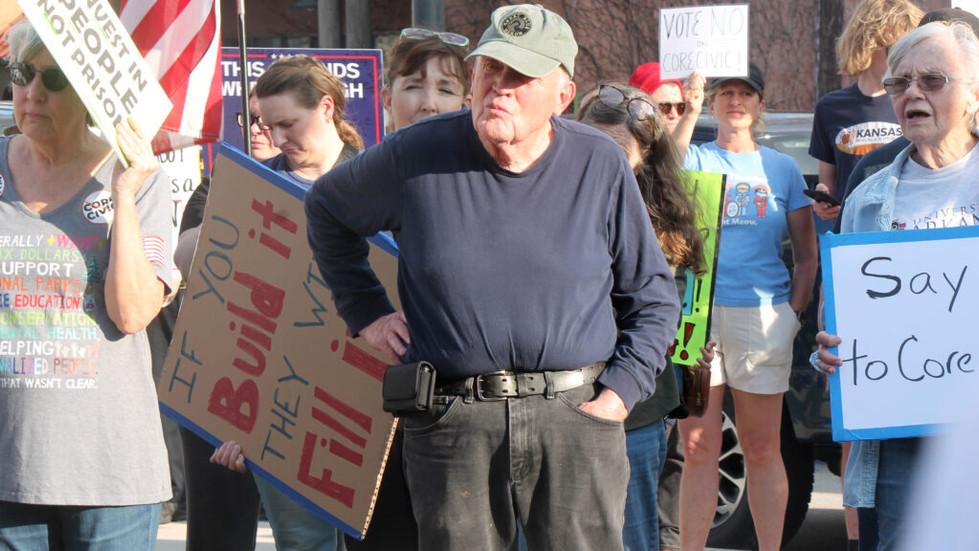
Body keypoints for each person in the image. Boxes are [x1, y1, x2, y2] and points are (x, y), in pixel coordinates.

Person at [304, 5, 681, 550]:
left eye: (519, 76)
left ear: (562, 95)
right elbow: (327, 210)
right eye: (490, 70)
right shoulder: (418, 153)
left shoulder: (599, 163)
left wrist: (621, 393)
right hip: (454, 426)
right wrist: (365, 312)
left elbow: (652, 296)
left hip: (576, 419)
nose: (498, 88)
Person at [0, 21, 173, 549]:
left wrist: (123, 194)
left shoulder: (142, 179)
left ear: (89, 94)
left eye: (53, 80)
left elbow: (133, 312)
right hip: (10, 467)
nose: (31, 93)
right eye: (21, 74)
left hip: (110, 472)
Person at [813, 20, 979, 551]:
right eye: (899, 83)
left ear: (974, 93)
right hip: (902, 434)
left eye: (932, 80)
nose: (912, 93)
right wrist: (830, 351)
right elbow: (837, 311)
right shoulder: (868, 193)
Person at [208, 54, 364, 551]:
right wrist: (229, 419)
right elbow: (222, 313)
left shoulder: (379, 181)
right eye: (265, 125)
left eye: (287, 124)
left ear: (326, 108)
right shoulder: (251, 191)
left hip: (368, 407)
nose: (275, 139)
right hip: (281, 418)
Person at [677, 62, 818, 551]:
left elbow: (806, 257)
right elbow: (660, 165)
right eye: (725, 93)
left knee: (762, 448)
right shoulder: (692, 157)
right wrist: (688, 109)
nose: (735, 101)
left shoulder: (778, 167)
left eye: (745, 93)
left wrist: (792, 318)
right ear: (713, 101)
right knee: (696, 447)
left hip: (762, 320)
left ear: (760, 104)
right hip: (697, 320)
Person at [342, 27, 471, 551]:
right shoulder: (349, 186)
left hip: (466, 416)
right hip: (363, 417)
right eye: (415, 85)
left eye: (446, 88)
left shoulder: (493, 186)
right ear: (386, 95)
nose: (430, 103)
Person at [577, 83, 714, 551]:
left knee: (632, 536)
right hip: (553, 410)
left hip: (634, 411)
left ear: (645, 159)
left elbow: (667, 316)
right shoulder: (548, 204)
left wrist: (687, 352)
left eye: (616, 153)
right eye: (589, 144)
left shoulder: (665, 223)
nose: (600, 162)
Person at [170, 86, 278, 551]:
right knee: (219, 532)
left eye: (269, 119)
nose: (256, 129)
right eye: (248, 119)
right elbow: (183, 259)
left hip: (297, 386)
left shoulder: (344, 178)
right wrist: (238, 203)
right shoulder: (220, 181)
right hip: (226, 379)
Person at [809, 0, 922, 227]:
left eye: (909, 46)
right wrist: (824, 201)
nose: (903, 55)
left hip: (909, 225)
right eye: (894, 46)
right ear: (866, 44)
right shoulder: (830, 107)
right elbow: (829, 185)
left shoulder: (914, 102)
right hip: (855, 231)